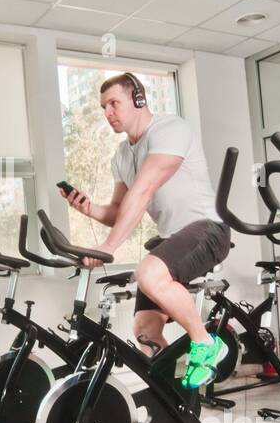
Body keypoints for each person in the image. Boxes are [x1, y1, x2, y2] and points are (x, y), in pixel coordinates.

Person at [62, 72, 231, 389]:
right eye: (103, 107)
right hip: (173, 241)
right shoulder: (122, 156)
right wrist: (89, 208)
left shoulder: (169, 130)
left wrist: (108, 248)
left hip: (208, 229)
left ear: (138, 99)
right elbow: (118, 210)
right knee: (145, 330)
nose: (108, 113)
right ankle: (168, 405)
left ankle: (206, 343)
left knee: (148, 272)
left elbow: (143, 191)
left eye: (114, 103)